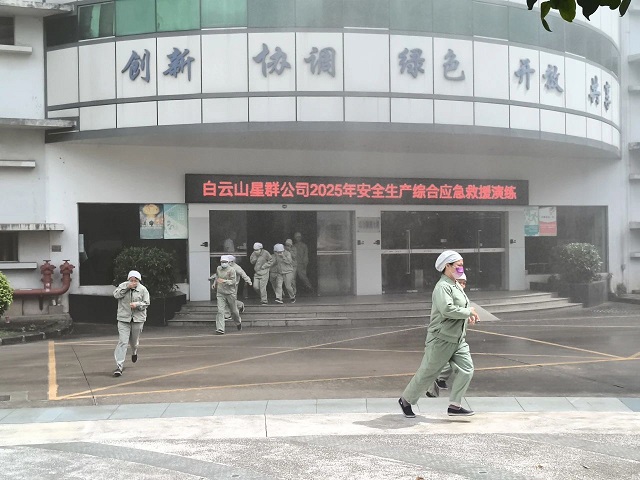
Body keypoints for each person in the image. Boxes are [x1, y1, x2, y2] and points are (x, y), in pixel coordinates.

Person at [399, 250, 479, 418]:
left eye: (462, 265)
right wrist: (467, 312)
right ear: (447, 266)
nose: (461, 268)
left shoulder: (456, 285)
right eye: (458, 265)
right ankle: (406, 400)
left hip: (458, 339)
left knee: (467, 370)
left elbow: (462, 306)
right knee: (428, 372)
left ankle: (455, 406)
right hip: (441, 339)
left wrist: (468, 315)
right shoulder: (442, 287)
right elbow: (447, 309)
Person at [427, 272, 467, 396]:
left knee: (445, 362)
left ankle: (435, 387)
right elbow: (448, 311)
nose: (462, 285)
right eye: (460, 282)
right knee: (437, 363)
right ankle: (437, 383)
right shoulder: (445, 292)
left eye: (464, 283)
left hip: (455, 336)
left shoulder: (461, 296)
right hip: (443, 335)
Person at [112, 270, 150, 377]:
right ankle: (119, 366)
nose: (133, 282)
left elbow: (146, 303)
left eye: (135, 280)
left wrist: (137, 304)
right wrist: (126, 287)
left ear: (139, 280)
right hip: (123, 319)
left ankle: (134, 352)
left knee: (134, 342)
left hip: (137, 319)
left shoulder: (143, 289)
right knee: (122, 342)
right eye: (131, 280)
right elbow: (116, 295)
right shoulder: (123, 286)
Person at [212, 255, 242, 334]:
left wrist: (224, 281)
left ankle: (238, 322)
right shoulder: (218, 268)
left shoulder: (232, 270)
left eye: (225, 262)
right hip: (220, 292)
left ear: (228, 262)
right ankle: (220, 328)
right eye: (222, 262)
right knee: (220, 311)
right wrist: (214, 283)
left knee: (234, 311)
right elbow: (217, 276)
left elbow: (233, 282)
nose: (223, 263)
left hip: (230, 293)